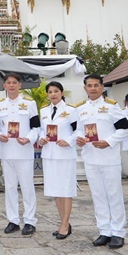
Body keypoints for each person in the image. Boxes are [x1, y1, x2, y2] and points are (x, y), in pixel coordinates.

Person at [76, 73, 128, 248]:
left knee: (114, 196)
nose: (92, 89)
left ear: (102, 87)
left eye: (96, 85)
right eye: (89, 86)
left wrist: (109, 142)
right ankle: (104, 231)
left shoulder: (112, 107)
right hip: (90, 158)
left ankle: (118, 232)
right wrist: (80, 138)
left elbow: (124, 129)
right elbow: (78, 130)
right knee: (98, 196)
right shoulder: (80, 109)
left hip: (109, 158)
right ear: (85, 88)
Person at [0, 73, 39, 235]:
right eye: (8, 83)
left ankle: (30, 220)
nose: (11, 85)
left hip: (24, 151)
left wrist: (28, 139)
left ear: (20, 85)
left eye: (14, 82)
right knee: (10, 187)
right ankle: (13, 220)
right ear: (4, 86)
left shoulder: (29, 103)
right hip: (7, 152)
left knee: (27, 187)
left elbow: (36, 127)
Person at [37, 80, 78, 240]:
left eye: (56, 91)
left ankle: (65, 224)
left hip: (65, 154)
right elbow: (42, 130)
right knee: (56, 191)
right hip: (49, 154)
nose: (53, 94)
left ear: (61, 92)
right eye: (50, 92)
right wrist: (42, 138)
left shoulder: (71, 110)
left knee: (66, 190)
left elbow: (78, 131)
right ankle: (64, 223)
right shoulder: (44, 111)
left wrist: (68, 141)